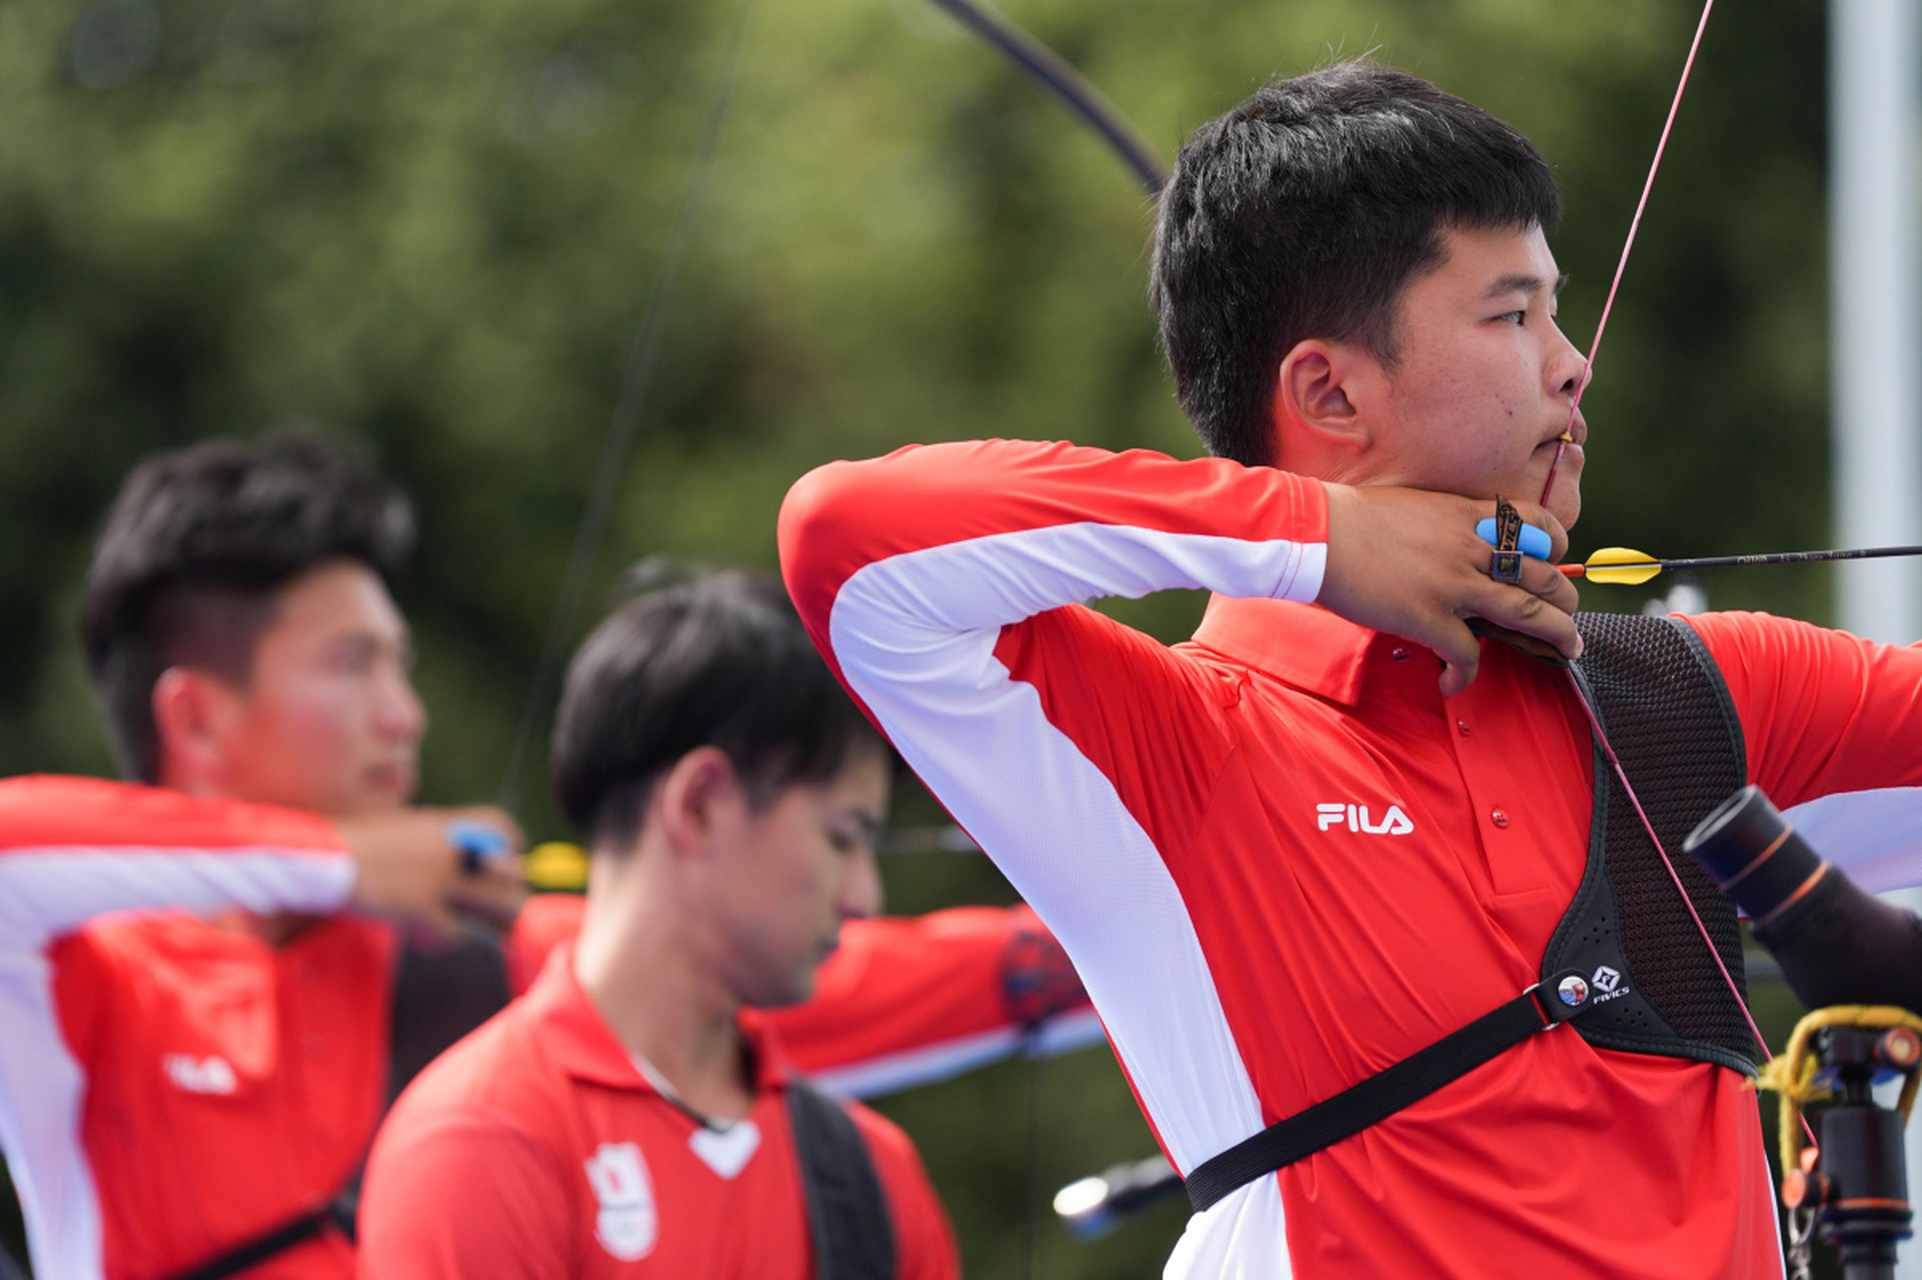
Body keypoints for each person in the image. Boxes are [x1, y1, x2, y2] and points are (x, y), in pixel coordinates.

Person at [778, 62, 1922, 1279]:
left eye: (1557, 310)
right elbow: (848, 539)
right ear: (1327, 389)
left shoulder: (1684, 697)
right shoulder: (1175, 739)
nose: (1570, 362)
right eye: (1510, 314)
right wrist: (1321, 540)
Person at [0, 437, 1083, 1280]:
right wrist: (341, 859)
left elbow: (800, 965)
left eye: (402, 665)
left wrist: (1179, 929)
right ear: (194, 717)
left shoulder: (457, 954)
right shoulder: (84, 988)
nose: (404, 716)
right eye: (352, 664)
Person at [357, 571, 959, 1279]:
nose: (864, 895)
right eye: (841, 836)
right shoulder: (482, 1140)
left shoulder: (873, 1178)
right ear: (700, 804)